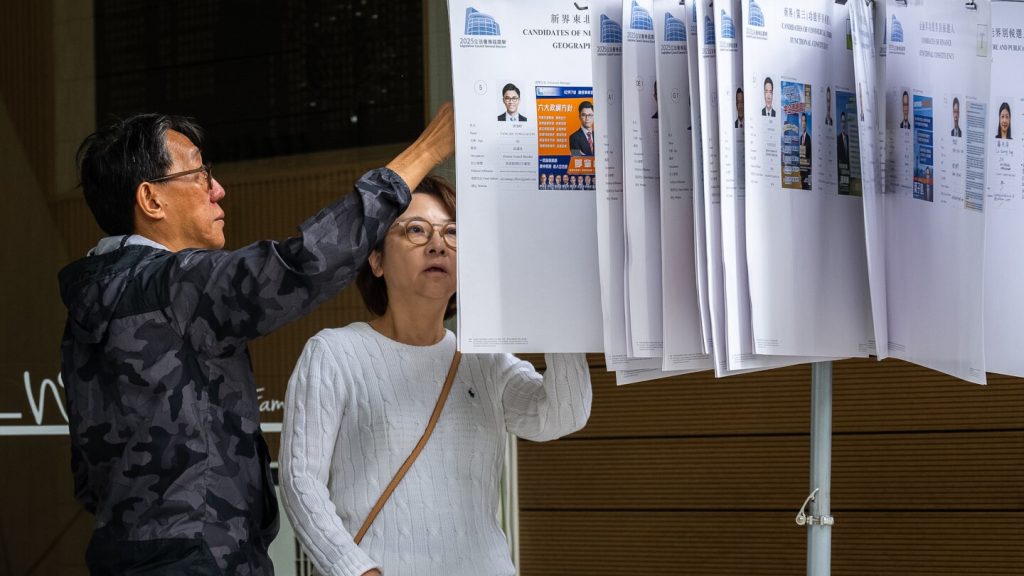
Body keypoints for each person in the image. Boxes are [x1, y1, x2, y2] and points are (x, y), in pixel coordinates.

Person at [58, 105, 455, 575]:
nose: (218, 189)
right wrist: (429, 149)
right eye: (201, 174)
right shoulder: (173, 287)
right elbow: (305, 264)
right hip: (203, 562)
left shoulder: (93, 305)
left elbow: (89, 480)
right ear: (151, 200)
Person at [280, 175, 592, 576]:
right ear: (375, 260)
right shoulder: (334, 354)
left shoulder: (483, 359)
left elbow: (562, 415)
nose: (437, 244)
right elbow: (299, 481)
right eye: (415, 230)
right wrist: (355, 569)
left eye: (453, 232)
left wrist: (561, 312)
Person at [837, 111, 851, 195]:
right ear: (840, 122)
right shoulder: (838, 138)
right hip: (841, 171)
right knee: (842, 191)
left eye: (844, 121)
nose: (843, 124)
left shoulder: (848, 138)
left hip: (848, 171)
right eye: (842, 121)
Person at [799, 112, 812, 190]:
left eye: (805, 121)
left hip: (807, 171)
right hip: (802, 171)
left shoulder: (808, 138)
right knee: (803, 188)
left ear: (806, 123)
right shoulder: (800, 138)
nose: (803, 123)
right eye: (802, 121)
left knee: (807, 188)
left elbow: (810, 155)